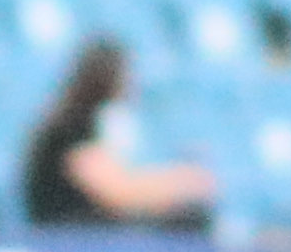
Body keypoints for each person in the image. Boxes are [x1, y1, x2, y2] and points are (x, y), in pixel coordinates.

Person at [21, 45, 215, 231]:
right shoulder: (71, 131)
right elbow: (119, 193)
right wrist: (179, 182)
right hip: (69, 235)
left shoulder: (85, 127)